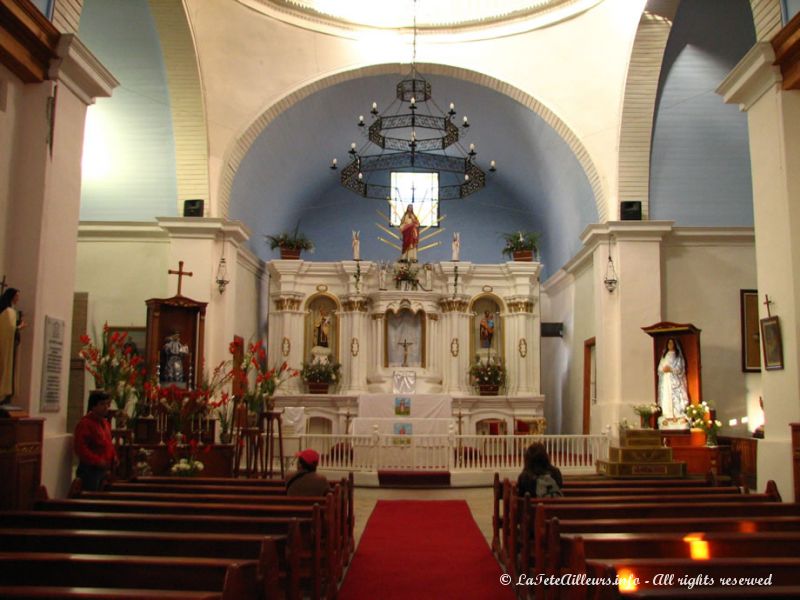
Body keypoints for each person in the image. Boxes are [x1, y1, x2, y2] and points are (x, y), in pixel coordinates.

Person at [74, 390, 117, 491]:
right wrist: (97, 460)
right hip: (90, 470)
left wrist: (113, 456)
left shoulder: (105, 423)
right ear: (93, 406)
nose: (106, 407)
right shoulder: (85, 424)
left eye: (107, 404)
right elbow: (80, 448)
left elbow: (108, 443)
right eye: (102, 404)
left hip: (103, 469)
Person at [0, 287, 25, 403]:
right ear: (12, 296)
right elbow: (10, 328)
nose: (18, 298)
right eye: (17, 296)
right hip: (6, 347)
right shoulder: (9, 311)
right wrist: (20, 327)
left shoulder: (6, 311)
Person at [657, 337, 690, 420]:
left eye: (671, 343)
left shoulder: (678, 356)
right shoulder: (664, 356)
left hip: (674, 380)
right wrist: (663, 369)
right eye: (669, 343)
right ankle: (667, 415)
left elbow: (680, 368)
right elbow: (659, 368)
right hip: (666, 380)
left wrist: (671, 369)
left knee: (675, 397)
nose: (670, 345)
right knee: (666, 396)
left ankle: (677, 415)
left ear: (675, 344)